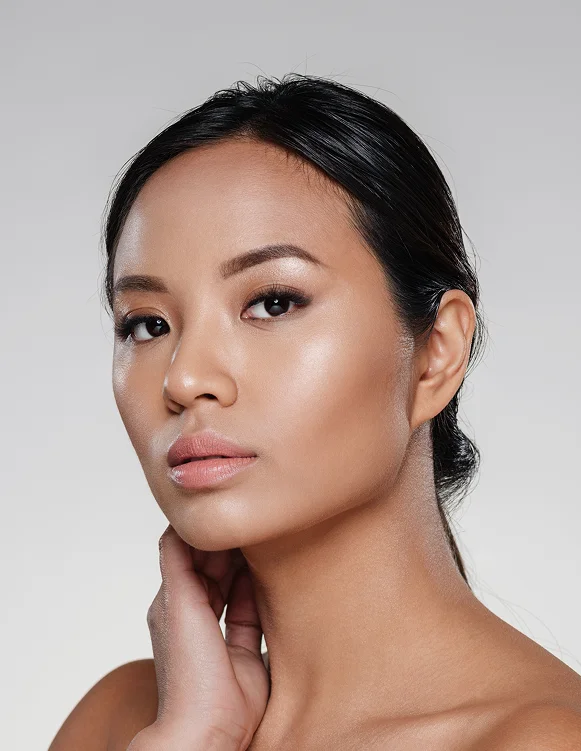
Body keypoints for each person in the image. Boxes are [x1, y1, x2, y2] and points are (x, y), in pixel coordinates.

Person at [49, 73, 581, 751]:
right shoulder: (123, 722)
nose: (183, 378)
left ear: (436, 353)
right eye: (147, 324)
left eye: (272, 302)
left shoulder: (540, 739)